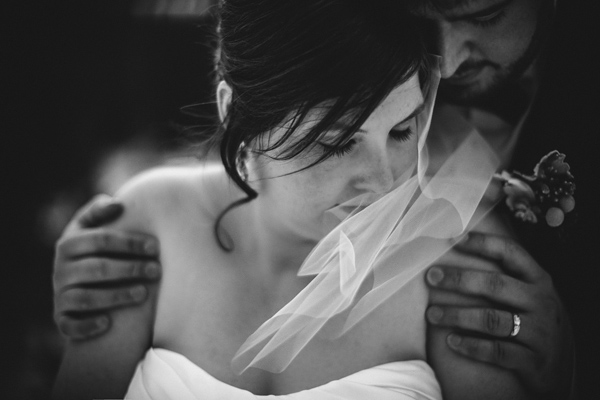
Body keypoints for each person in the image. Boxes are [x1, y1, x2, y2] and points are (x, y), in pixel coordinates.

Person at [53, 0, 587, 398]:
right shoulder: (150, 223)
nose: (384, 184)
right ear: (235, 115)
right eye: (335, 143)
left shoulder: (462, 259)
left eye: (404, 131)